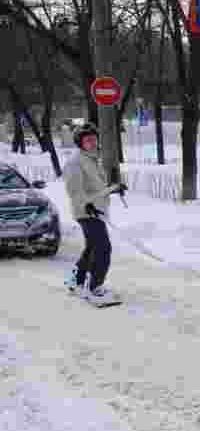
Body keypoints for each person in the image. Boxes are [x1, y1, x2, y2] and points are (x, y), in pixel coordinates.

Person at [62, 122, 127, 304]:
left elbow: (96, 188)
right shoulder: (75, 161)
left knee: (91, 248)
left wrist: (114, 188)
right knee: (103, 248)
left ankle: (76, 282)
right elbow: (75, 191)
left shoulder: (91, 159)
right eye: (87, 140)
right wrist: (86, 206)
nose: (92, 143)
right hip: (87, 212)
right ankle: (94, 288)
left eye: (94, 139)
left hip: (96, 210)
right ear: (80, 143)